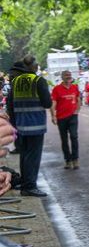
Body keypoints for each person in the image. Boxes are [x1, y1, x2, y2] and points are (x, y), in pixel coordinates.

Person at [7, 55, 52, 197]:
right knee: (33, 156)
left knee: (24, 155)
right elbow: (47, 103)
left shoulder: (16, 82)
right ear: (33, 66)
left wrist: (14, 124)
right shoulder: (39, 81)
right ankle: (30, 186)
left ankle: (25, 184)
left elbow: (10, 105)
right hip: (35, 125)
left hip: (20, 125)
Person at [50, 71, 82, 170]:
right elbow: (53, 103)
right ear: (62, 77)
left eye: (69, 75)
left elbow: (78, 99)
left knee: (74, 136)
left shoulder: (74, 87)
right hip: (61, 117)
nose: (68, 77)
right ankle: (68, 160)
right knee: (64, 140)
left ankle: (75, 159)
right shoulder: (56, 89)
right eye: (66, 75)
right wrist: (53, 116)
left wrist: (77, 109)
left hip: (73, 116)